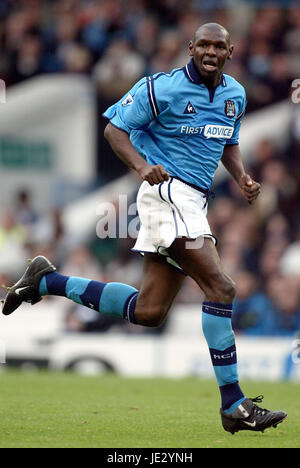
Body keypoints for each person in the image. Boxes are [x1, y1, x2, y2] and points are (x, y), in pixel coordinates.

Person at [2, 23, 287, 434]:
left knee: (150, 311)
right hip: (166, 193)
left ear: (230, 52)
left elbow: (227, 141)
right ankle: (234, 404)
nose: (210, 51)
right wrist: (141, 166)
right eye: (202, 44)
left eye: (218, 46)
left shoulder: (235, 95)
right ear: (190, 48)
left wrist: (241, 176)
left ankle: (48, 281)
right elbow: (113, 129)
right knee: (221, 288)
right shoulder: (161, 88)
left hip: (194, 202)